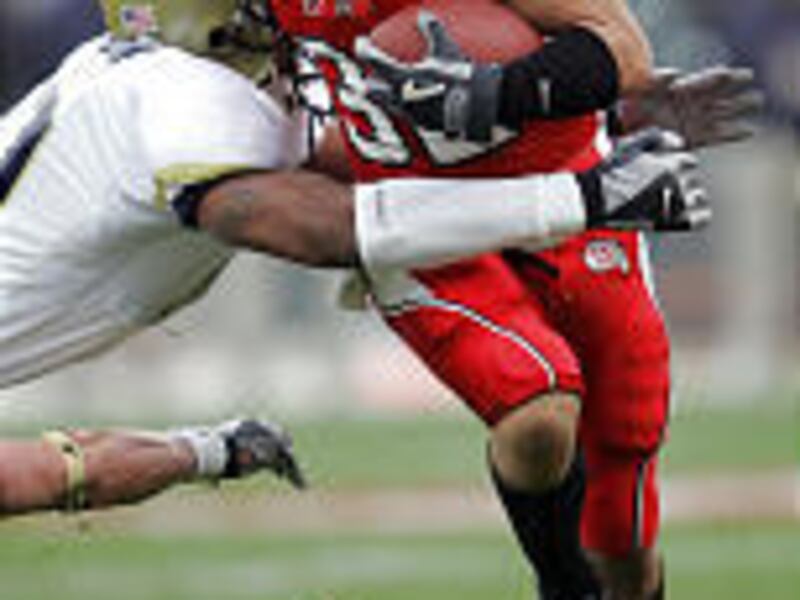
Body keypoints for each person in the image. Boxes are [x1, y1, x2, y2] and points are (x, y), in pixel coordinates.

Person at [0, 0, 704, 518]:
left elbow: (364, 167)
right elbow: (335, 227)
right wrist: (583, 195)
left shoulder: (178, 86)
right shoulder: (183, 96)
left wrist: (593, 118)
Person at [274, 1, 761, 599]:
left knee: (623, 515)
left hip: (574, 193)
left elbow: (623, 51)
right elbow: (281, 128)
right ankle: (563, 586)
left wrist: (502, 93)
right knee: (537, 406)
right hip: (427, 224)